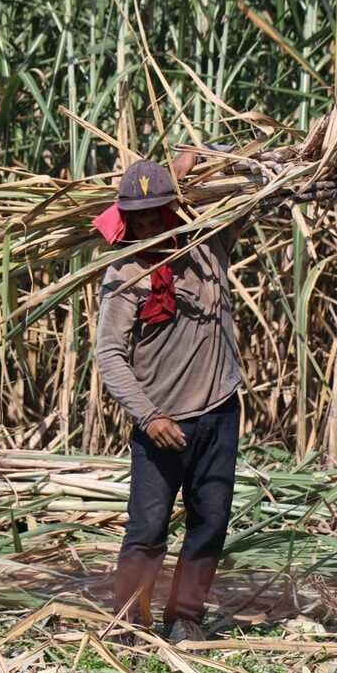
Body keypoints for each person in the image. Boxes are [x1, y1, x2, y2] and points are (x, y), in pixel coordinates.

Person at [93, 153, 243, 644]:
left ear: (173, 208)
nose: (146, 223)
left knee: (211, 521)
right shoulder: (124, 275)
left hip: (219, 411)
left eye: (156, 212)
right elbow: (109, 354)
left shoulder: (207, 246)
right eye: (136, 216)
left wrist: (193, 172)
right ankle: (128, 623)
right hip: (161, 424)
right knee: (147, 530)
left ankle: (186, 618)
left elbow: (244, 195)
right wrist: (148, 415)